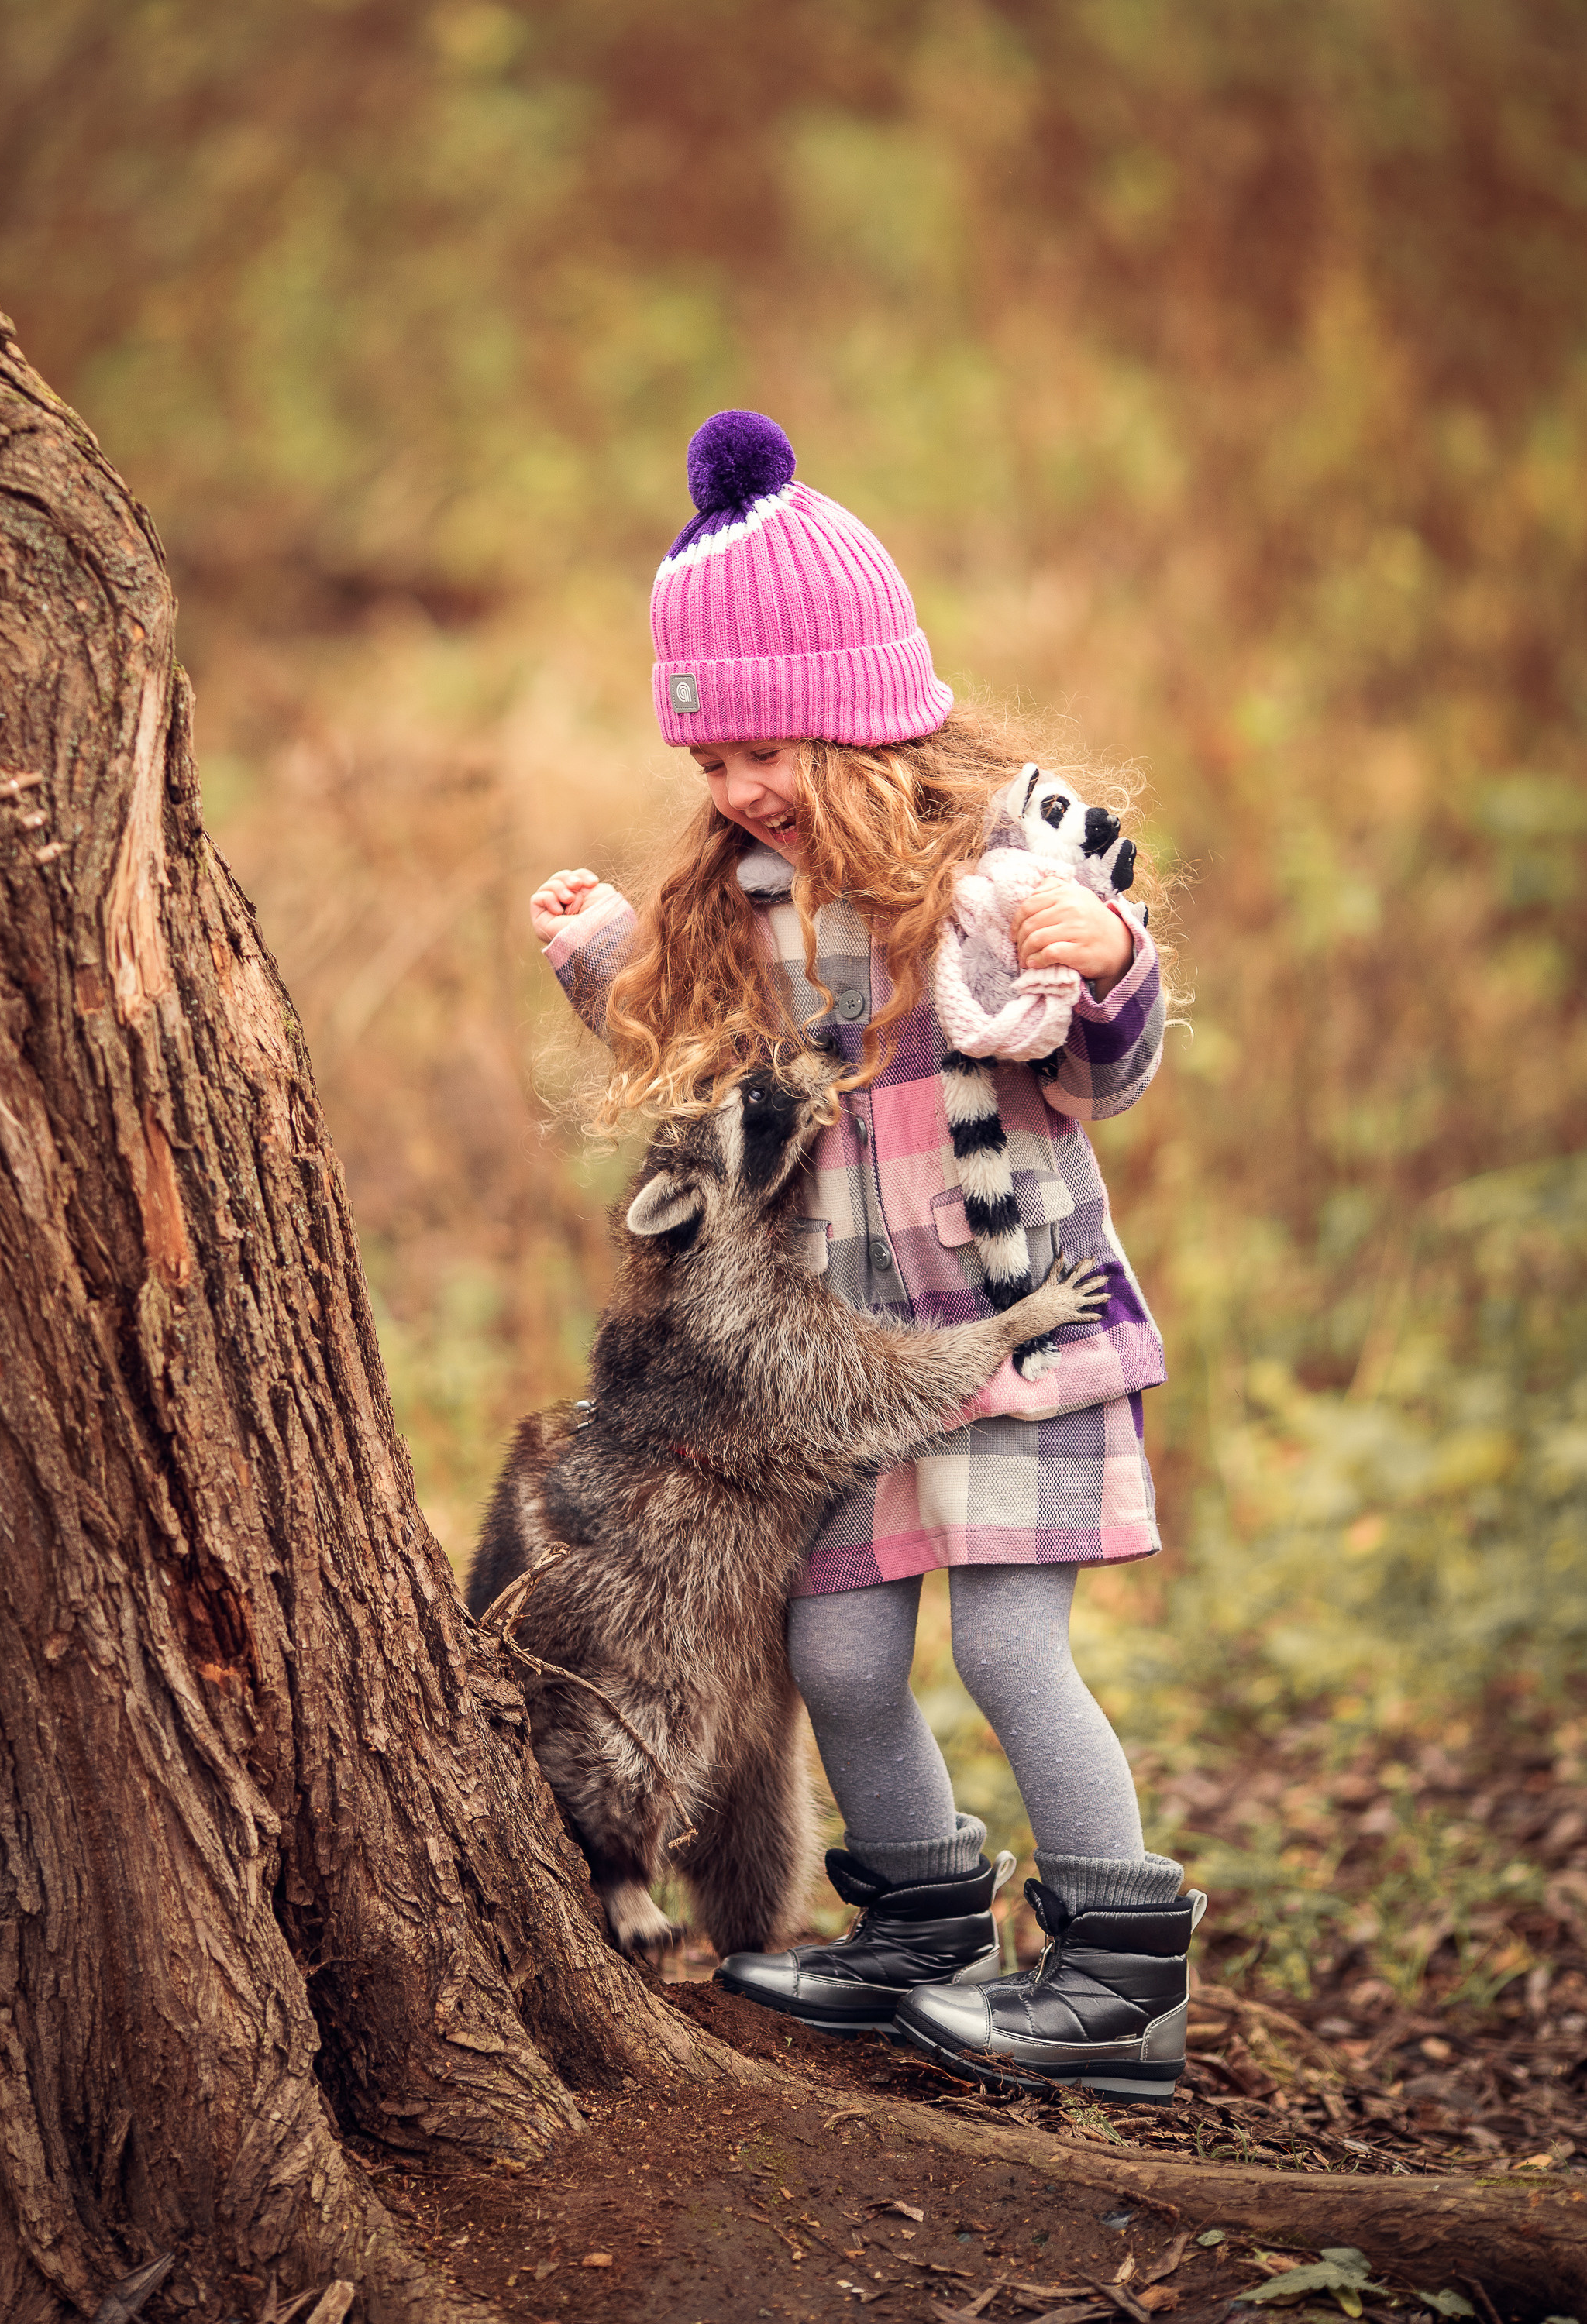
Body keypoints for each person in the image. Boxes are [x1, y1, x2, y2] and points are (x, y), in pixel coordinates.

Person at [526, 410, 1203, 2102]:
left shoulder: (999, 880)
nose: (736, 791)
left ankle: (1120, 1979)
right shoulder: (756, 903)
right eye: (708, 763)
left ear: (858, 716)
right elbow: (695, 1066)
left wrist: (1109, 959)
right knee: (834, 1657)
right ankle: (918, 1925)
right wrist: (602, 955)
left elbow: (1102, 1072)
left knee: (1007, 1649)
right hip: (845, 1378)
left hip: (1020, 1339)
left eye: (762, 748)